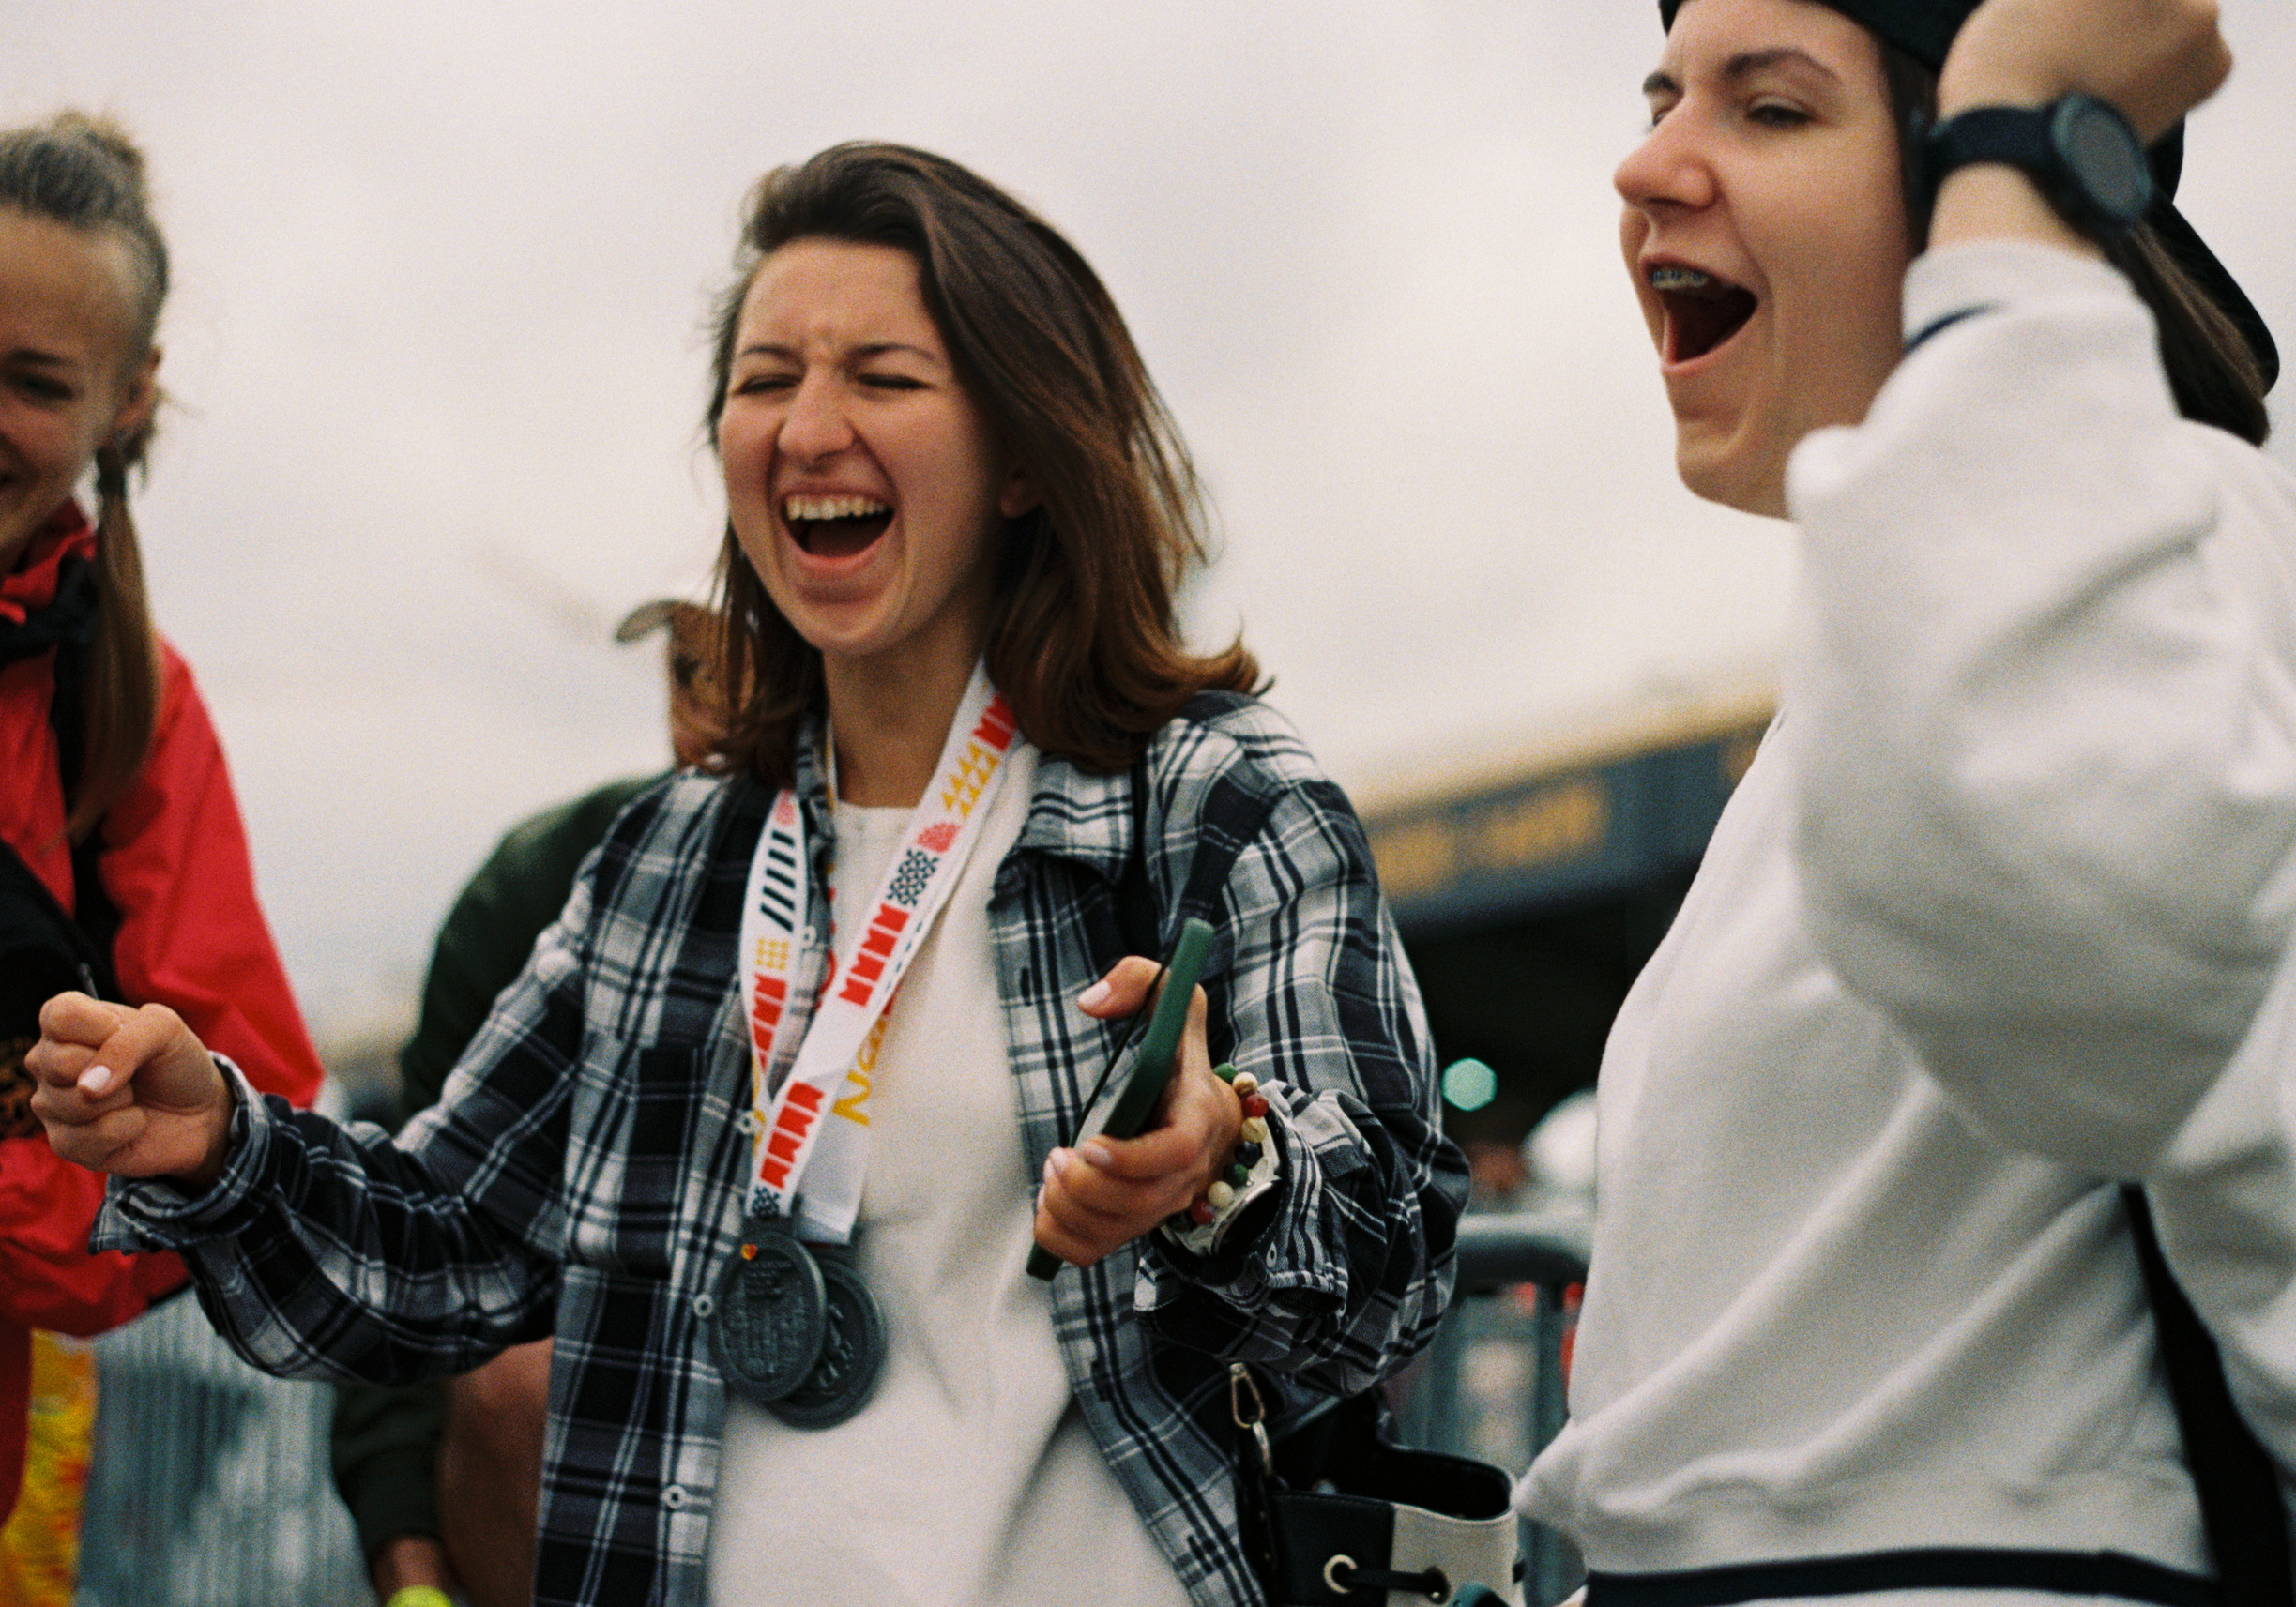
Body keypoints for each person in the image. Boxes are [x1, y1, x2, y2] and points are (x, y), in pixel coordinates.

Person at [33, 143, 1466, 1607]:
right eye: (766, 377)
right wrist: (217, 1146)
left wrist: (1225, 1165)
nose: (808, 428)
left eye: (886, 378)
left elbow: (1399, 1263)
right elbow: (443, 1251)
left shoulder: (1216, 804)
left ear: (1028, 455)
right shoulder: (669, 859)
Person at [1515, 0, 2296, 1599]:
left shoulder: (2206, 522)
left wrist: (2013, 131)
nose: (1645, 161)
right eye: (1662, 96)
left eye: (1769, 109)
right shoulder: (1855, 683)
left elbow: (2066, 960)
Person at [0, 112, 323, 1524]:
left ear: (126, 401)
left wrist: (33, 1208)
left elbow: (240, 1128)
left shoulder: (129, 711)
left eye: (32, 380)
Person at [332, 598, 723, 1607]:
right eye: (691, 673)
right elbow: (409, 1236)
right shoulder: (537, 887)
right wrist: (407, 1565)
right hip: (572, 1494)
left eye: (769, 670)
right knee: (524, 1375)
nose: (718, 717)